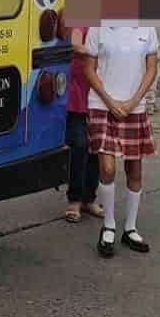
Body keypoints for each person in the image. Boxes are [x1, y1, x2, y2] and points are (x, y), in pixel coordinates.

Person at [81, 22, 160, 258]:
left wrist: (134, 101)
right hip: (102, 104)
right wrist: (110, 101)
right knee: (106, 167)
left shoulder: (147, 28)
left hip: (133, 107)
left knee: (134, 170)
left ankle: (130, 228)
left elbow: (151, 69)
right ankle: (109, 225)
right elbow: (88, 69)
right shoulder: (98, 27)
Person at [60, 26, 102, 223]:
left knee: (96, 148)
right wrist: (96, 52)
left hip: (102, 93)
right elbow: (75, 43)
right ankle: (74, 200)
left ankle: (89, 199)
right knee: (79, 145)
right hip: (78, 91)